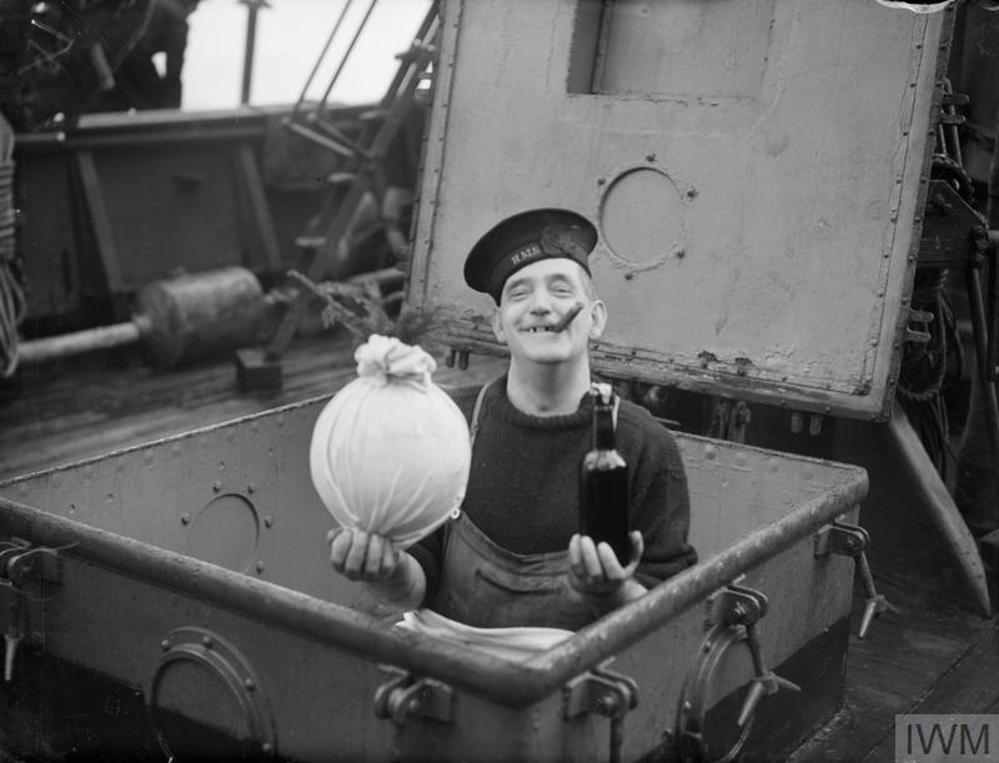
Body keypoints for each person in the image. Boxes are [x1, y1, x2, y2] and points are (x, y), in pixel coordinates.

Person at [328, 208, 696, 630]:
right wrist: (387, 572)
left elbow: (671, 614)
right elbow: (418, 581)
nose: (541, 306)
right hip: (449, 662)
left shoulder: (644, 445)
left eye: (560, 290)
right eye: (519, 294)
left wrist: (615, 592)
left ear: (594, 319)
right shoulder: (448, 424)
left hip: (584, 680)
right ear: (499, 325)